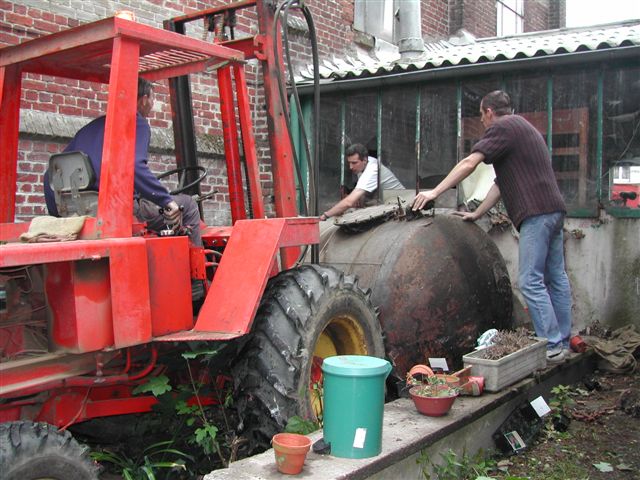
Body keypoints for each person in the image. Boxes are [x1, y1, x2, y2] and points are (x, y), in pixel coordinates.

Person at [412, 90, 572, 364]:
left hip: (536, 213)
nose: (484, 123)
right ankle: (563, 340)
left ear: (488, 112)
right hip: (553, 209)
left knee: (530, 281)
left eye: (482, 116)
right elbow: (501, 184)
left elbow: (469, 163)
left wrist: (434, 192)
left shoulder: (503, 127)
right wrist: (477, 213)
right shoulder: (522, 128)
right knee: (555, 277)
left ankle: (553, 344)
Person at [44, 78, 202, 246]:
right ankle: (198, 271)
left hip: (80, 214)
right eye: (153, 98)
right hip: (118, 212)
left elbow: (50, 176)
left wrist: (59, 218)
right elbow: (135, 167)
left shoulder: (90, 128)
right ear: (144, 99)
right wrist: (166, 201)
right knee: (189, 205)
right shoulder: (136, 122)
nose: (152, 104)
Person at [319, 143, 404, 220]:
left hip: (402, 206)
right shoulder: (364, 164)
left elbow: (349, 202)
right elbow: (358, 201)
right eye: (349, 163)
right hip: (389, 205)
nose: (350, 167)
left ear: (364, 160)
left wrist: (326, 215)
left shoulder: (372, 169)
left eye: (354, 163)